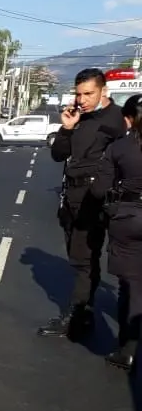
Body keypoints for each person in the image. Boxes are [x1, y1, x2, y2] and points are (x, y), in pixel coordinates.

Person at [39, 68, 125, 339]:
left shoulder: (116, 120)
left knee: (84, 259)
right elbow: (58, 154)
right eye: (79, 94)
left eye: (89, 94)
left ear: (103, 91)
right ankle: (83, 312)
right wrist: (67, 128)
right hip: (72, 196)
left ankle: (78, 316)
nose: (82, 100)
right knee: (80, 257)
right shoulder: (79, 116)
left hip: (95, 198)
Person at [100, 94, 142, 372]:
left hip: (129, 219)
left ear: (128, 119)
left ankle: (128, 348)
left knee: (132, 284)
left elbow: (99, 189)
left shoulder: (119, 148)